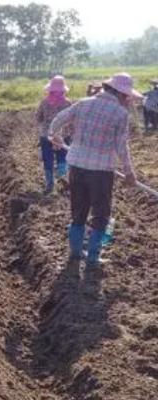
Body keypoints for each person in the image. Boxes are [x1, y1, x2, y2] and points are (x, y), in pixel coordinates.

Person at [49, 72, 140, 267]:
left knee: (79, 210)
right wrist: (129, 171)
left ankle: (75, 253)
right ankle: (92, 256)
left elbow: (58, 119)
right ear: (121, 94)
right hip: (101, 171)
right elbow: (121, 146)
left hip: (77, 165)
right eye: (127, 96)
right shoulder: (120, 114)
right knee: (101, 213)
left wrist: (53, 135)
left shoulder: (83, 103)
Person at [35, 75, 72, 194]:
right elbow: (72, 119)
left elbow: (38, 117)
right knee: (63, 157)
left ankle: (49, 184)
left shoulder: (44, 102)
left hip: (47, 135)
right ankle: (61, 176)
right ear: (63, 90)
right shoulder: (68, 103)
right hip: (63, 135)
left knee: (48, 159)